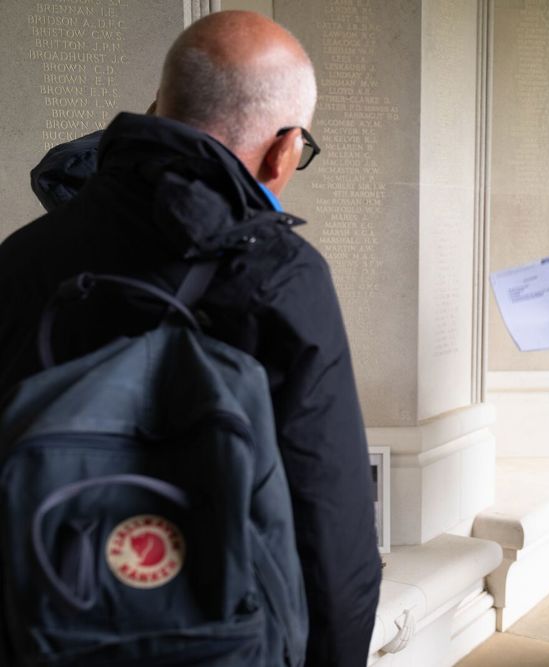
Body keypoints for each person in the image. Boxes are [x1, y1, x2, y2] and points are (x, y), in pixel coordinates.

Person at [0, 11, 380, 666]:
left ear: (155, 110)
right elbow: (329, 521)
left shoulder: (21, 256)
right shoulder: (280, 277)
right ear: (283, 149)